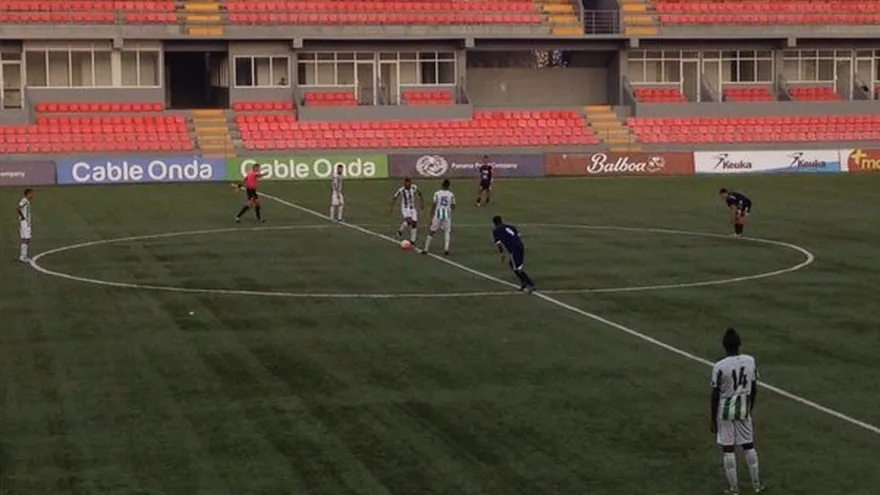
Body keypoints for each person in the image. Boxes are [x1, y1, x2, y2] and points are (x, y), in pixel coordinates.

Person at [710, 328, 765, 494]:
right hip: (743, 408)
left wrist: (713, 419)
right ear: (739, 344)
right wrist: (750, 407)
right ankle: (756, 484)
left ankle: (734, 488)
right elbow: (754, 387)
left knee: (728, 449)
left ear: (724, 346)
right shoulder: (750, 361)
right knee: (749, 446)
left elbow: (715, 394)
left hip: (725, 411)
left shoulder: (719, 366)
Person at [492, 215, 535, 293]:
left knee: (517, 268)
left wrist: (502, 254)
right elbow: (517, 235)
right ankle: (524, 282)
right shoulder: (510, 226)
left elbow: (498, 243)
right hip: (520, 246)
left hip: (514, 249)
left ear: (494, 223)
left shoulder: (496, 230)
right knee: (513, 265)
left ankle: (531, 284)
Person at [423, 179, 455, 256]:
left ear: (442, 185)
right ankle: (446, 249)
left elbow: (434, 204)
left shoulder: (437, 193)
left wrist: (431, 214)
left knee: (432, 231)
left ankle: (426, 249)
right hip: (447, 214)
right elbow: (453, 205)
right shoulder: (451, 194)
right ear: (449, 186)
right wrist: (449, 210)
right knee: (447, 231)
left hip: (438, 213)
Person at [389, 177, 423, 244]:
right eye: (406, 182)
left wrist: (422, 203)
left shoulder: (414, 187)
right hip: (405, 208)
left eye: (408, 182)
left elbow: (420, 194)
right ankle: (401, 230)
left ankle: (412, 240)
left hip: (412, 208)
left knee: (414, 223)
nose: (407, 184)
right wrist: (391, 208)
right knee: (409, 221)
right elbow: (395, 197)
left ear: (410, 183)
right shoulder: (401, 190)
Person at [17, 188, 34, 263]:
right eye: (31, 193)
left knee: (25, 239)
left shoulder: (27, 201)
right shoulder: (24, 201)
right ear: (28, 194)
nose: (32, 195)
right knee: (26, 239)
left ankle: (23, 256)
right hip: (25, 223)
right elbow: (18, 208)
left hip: (25, 223)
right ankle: (23, 256)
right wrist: (23, 217)